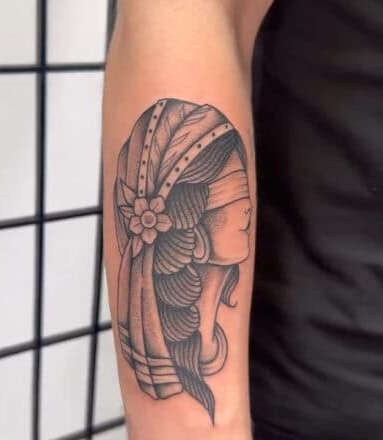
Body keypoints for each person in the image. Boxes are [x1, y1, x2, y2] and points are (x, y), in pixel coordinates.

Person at [102, 1, 383, 439]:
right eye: (235, 203)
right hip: (320, 397)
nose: (246, 211)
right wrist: (190, 429)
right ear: (194, 234)